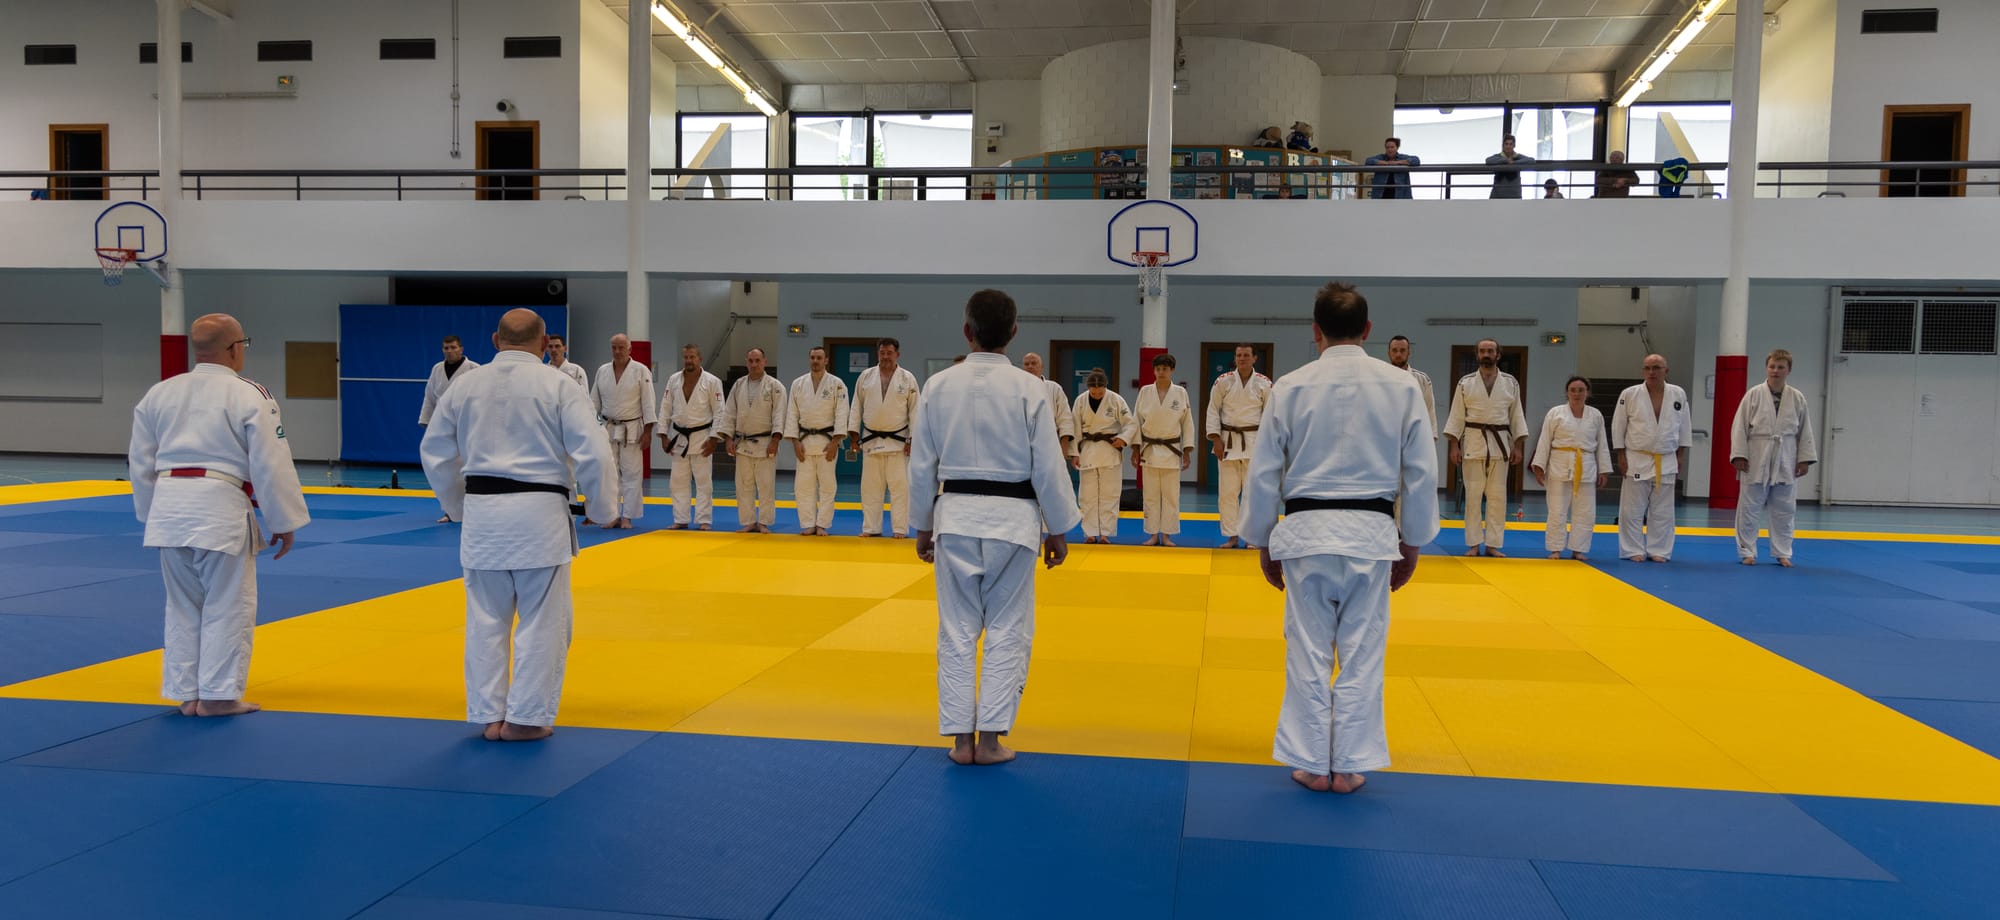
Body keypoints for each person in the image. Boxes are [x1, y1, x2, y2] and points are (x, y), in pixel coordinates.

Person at [1240, 282, 1437, 795]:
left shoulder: (1290, 386)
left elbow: (1264, 471)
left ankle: (1311, 762)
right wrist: (1413, 541)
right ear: (1368, 330)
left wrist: (1263, 539)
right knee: (1363, 652)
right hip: (1372, 537)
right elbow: (1420, 471)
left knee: (1307, 652)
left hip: (1305, 536)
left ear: (1316, 331)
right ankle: (1348, 765)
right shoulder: (1401, 387)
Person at [421, 309, 615, 743]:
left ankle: (489, 715)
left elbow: (434, 452)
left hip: (482, 515)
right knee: (543, 621)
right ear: (545, 344)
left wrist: (458, 507)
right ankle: (525, 718)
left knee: (485, 621)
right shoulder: (559, 385)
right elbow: (595, 453)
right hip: (539, 516)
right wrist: (602, 509)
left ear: (495, 340)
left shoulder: (464, 386)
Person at [909, 289, 1081, 767]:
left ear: (967, 332)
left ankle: (960, 742)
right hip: (1014, 521)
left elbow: (921, 464)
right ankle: (989, 742)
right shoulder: (1030, 388)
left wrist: (922, 525)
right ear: (1014, 332)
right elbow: (1048, 464)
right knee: (1008, 629)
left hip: (954, 517)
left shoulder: (937, 386)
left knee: (956, 630)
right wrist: (1058, 528)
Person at [129, 313, 310, 718]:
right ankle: (218, 696)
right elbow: (271, 461)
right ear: (234, 349)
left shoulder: (159, 393)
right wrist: (283, 521)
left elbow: (140, 462)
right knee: (228, 604)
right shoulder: (249, 394)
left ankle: (187, 693)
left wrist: (151, 513)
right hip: (218, 506)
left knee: (182, 605)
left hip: (169, 506)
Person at [1441, 338, 1527, 557]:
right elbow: (1457, 415)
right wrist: (1454, 446)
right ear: (1477, 354)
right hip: (1473, 442)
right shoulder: (1466, 382)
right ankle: (1473, 543)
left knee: (1498, 497)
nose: (1486, 354)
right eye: (1482, 351)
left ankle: (1493, 544)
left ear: (1498, 355)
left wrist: (1518, 446)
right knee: (1472, 496)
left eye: (1490, 351)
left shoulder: (1510, 383)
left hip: (1500, 444)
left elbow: (1516, 415)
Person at [1731, 349, 1817, 566]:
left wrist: (1804, 459)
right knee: (1749, 508)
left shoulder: (1797, 398)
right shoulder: (1753, 394)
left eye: (1780, 367)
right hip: (1756, 455)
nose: (1775, 371)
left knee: (1785, 509)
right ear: (1766, 368)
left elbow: (1805, 430)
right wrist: (1739, 454)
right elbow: (1739, 427)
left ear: (1788, 370)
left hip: (1786, 455)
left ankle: (1783, 552)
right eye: (1772, 366)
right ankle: (1747, 551)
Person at [1611, 354, 1693, 562]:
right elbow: (1618, 425)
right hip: (1636, 457)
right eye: (1647, 368)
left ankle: (1659, 550)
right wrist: (1620, 455)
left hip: (1666, 458)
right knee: (1631, 509)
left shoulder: (1678, 393)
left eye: (1656, 368)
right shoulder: (1630, 394)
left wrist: (1681, 454)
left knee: (1663, 510)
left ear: (1666, 371)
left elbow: (1684, 426)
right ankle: (1632, 549)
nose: (1651, 372)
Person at [1531, 377, 1612, 560]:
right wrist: (1539, 466)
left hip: (1586, 466)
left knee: (1585, 512)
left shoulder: (1595, 415)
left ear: (1587, 393)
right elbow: (1544, 440)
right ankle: (1556, 548)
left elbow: (1602, 444)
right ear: (1567, 392)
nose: (1577, 394)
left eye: (1581, 390)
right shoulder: (1555, 413)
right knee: (1556, 511)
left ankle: (1578, 549)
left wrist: (1604, 470)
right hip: (1559, 465)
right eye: (1573, 390)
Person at [849, 337, 921, 538]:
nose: (885, 356)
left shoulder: (907, 378)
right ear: (878, 354)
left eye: (889, 353)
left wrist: (912, 439)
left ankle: (900, 528)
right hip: (871, 440)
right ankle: (871, 528)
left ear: (897, 354)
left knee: (900, 489)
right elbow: (856, 406)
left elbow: (915, 411)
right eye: (882, 353)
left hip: (898, 442)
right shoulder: (866, 376)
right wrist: (853, 435)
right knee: (870, 488)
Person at [1205, 344, 1271, 549]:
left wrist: (1267, 446)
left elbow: (1270, 415)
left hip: (1254, 442)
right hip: (1228, 441)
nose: (1242, 358)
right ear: (1235, 358)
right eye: (1239, 355)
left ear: (1254, 358)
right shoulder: (1223, 381)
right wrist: (1216, 439)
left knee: (1252, 494)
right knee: (1228, 493)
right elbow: (1213, 410)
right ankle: (1232, 536)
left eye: (1246, 355)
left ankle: (1251, 537)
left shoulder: (1264, 383)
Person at [590, 334, 656, 529]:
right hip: (608, 427)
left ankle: (627, 516)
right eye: (614, 347)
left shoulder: (641, 370)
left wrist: (648, 431)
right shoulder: (603, 371)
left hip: (632, 429)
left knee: (632, 473)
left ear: (629, 349)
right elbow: (593, 403)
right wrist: (593, 426)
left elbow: (648, 402)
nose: (617, 351)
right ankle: (612, 515)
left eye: (621, 347)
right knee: (610, 473)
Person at [719, 347, 787, 533]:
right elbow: (729, 413)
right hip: (742, 442)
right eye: (751, 361)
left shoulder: (775, 386)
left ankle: (764, 522)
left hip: (766, 443)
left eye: (758, 361)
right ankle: (748, 521)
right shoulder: (739, 385)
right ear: (746, 363)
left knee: (766, 485)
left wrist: (776, 440)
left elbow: (779, 414)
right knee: (743, 485)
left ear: (765, 362)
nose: (754, 364)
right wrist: (728, 439)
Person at [659, 343, 725, 531]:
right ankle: (680, 519)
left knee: (704, 482)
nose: (689, 361)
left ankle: (704, 519)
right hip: (679, 437)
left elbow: (720, 412)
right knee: (677, 481)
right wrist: (663, 435)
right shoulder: (674, 380)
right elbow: (665, 408)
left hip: (703, 437)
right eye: (686, 357)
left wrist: (714, 439)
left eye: (692, 357)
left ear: (700, 359)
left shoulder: (712, 381)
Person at [1132, 353, 1196, 547]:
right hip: (1149, 450)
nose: (1161, 372)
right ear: (1154, 371)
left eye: (1165, 369)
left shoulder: (1180, 393)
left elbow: (1187, 423)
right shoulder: (1145, 392)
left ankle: (1167, 535)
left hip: (1172, 450)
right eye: (1158, 369)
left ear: (1172, 370)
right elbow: (1136, 421)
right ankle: (1153, 534)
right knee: (1150, 495)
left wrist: (1187, 450)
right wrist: (1135, 448)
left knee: (1171, 495)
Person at [785, 345, 849, 536]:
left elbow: (842, 414)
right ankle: (808, 523)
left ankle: (822, 524)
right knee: (803, 486)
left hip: (827, 442)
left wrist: (836, 442)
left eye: (819, 358)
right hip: (804, 442)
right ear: (809, 359)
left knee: (828, 486)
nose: (815, 361)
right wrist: (795, 441)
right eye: (812, 357)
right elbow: (792, 414)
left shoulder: (837, 384)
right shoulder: (798, 384)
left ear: (826, 360)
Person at [420, 335, 480, 522]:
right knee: (446, 471)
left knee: (468, 469)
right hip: (443, 424)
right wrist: (426, 421)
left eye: (453, 347)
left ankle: (473, 509)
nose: (449, 351)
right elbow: (430, 397)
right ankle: (451, 510)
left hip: (467, 425)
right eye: (446, 348)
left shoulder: (474, 369)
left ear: (461, 349)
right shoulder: (437, 369)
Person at [1071, 368, 1133, 544]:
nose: (1097, 395)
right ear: (1088, 388)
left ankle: (1106, 533)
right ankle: (1090, 533)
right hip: (1088, 450)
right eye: (1093, 392)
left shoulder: (1116, 400)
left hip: (1110, 450)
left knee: (1110, 494)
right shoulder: (1080, 401)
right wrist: (1074, 453)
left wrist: (1123, 439)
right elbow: (1075, 428)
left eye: (1100, 392)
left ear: (1106, 387)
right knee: (1087, 495)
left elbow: (1130, 423)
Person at [1020, 352, 1077, 460]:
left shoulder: (1054, 388)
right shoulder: (1018, 389)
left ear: (1041, 367)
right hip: (1023, 444)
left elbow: (1065, 421)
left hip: (1049, 444)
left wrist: (1064, 450)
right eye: (1026, 364)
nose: (1030, 366)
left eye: (1034, 363)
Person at [1486, 134, 1536, 199]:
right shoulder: (1498, 157)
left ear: (1514, 145)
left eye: (1510, 144)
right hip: (1498, 195)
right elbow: (1488, 160)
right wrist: (1506, 160)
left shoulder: (1518, 157)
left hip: (1514, 195)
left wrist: (1514, 162)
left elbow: (1532, 160)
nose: (1508, 146)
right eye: (1506, 144)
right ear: (1503, 145)